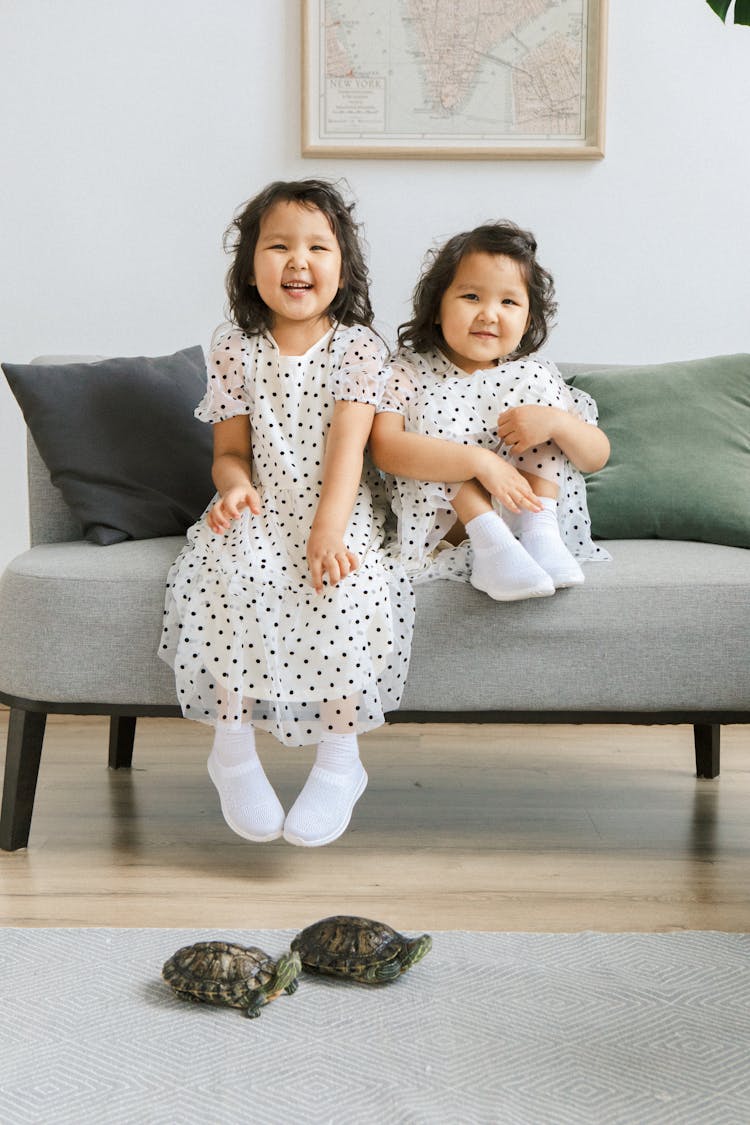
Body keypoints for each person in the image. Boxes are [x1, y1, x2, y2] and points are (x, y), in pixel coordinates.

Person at [159, 179, 414, 847]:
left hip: (337, 505)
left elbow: (349, 451)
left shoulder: (358, 349)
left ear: (342, 266)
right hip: (265, 507)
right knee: (231, 573)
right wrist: (235, 487)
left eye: (316, 247)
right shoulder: (233, 348)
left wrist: (327, 530)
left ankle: (340, 758)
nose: (297, 261)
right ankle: (232, 746)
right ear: (250, 265)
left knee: (343, 587)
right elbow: (229, 452)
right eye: (278, 246)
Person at [369, 221, 611, 601]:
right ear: (436, 308)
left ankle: (539, 532)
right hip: (448, 525)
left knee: (535, 384)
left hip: (522, 510)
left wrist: (556, 422)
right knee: (434, 405)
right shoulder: (409, 370)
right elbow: (385, 448)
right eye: (471, 297)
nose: (489, 314)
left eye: (508, 302)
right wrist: (478, 462)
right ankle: (491, 543)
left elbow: (595, 456)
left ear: (527, 320)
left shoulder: (530, 374)